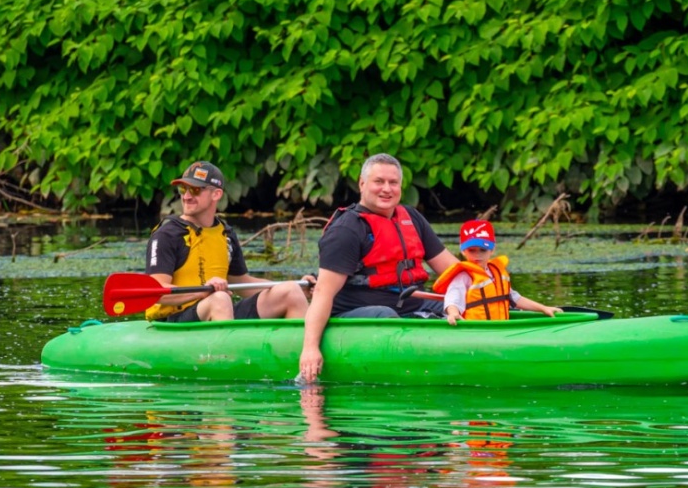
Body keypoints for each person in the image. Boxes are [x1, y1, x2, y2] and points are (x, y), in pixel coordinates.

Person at [299, 154, 459, 382]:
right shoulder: (347, 229)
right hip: (359, 311)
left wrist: (487, 287)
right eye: (379, 181)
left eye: (393, 183)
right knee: (386, 315)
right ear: (362, 184)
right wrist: (310, 348)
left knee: (457, 303)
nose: (387, 189)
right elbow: (323, 293)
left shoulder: (411, 218)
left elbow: (453, 270)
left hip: (410, 304)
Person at [145, 161, 314, 322]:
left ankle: (305, 349)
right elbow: (157, 291)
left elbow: (243, 284)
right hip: (174, 319)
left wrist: (298, 286)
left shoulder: (226, 234)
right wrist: (202, 292)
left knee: (290, 291)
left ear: (216, 194)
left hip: (218, 308)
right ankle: (228, 353)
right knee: (220, 298)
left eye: (195, 190)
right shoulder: (167, 234)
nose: (187, 196)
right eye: (183, 189)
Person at [432, 219, 562, 325]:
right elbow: (453, 299)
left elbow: (515, 298)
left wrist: (544, 308)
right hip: (476, 329)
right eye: (472, 250)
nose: (478, 255)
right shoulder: (464, 276)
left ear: (492, 249)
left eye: (483, 250)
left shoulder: (496, 273)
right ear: (463, 250)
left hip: (499, 327)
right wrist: (454, 313)